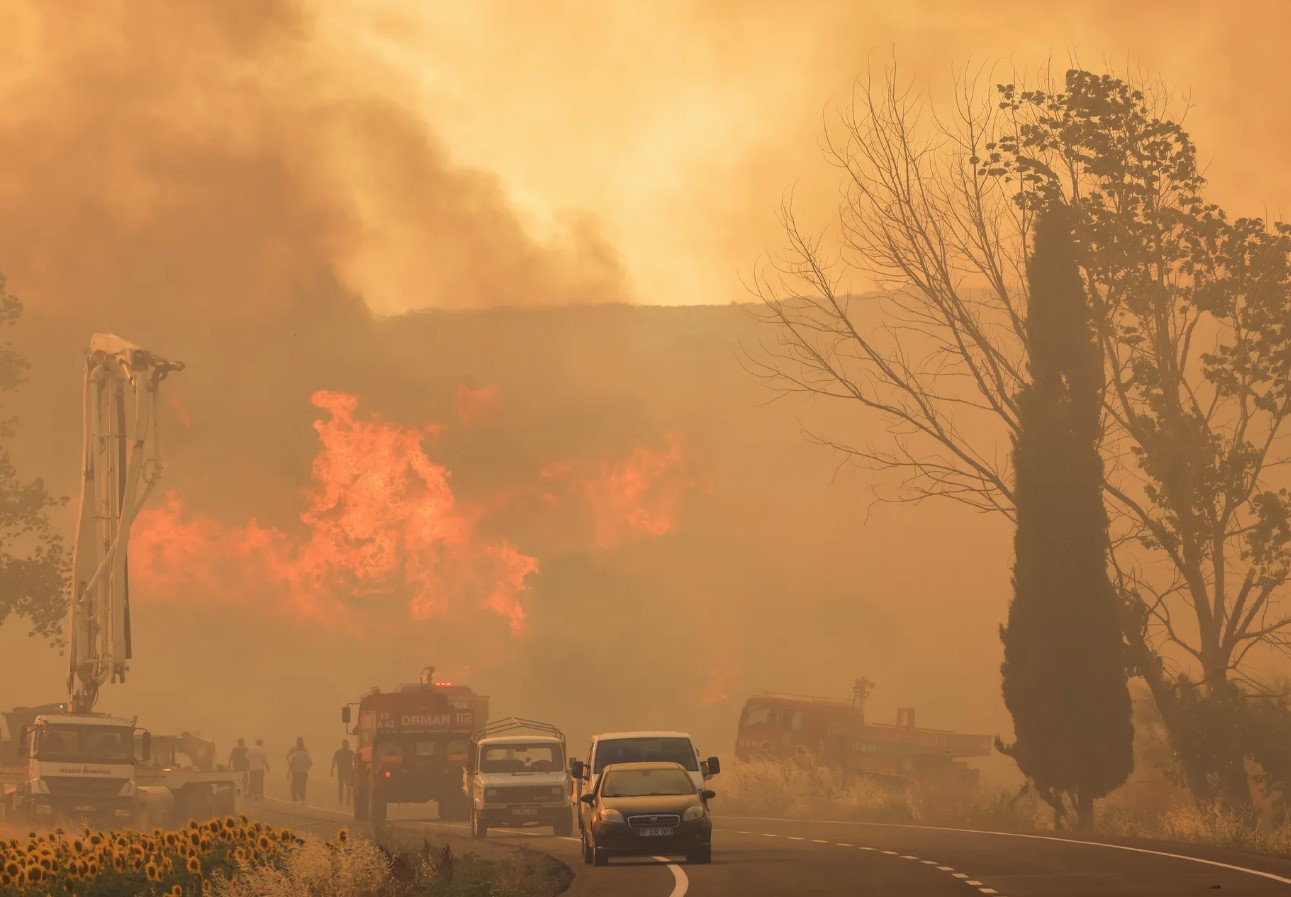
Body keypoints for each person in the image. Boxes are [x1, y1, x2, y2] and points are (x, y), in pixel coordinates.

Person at [288, 737, 313, 803]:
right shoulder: (305, 752)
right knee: (302, 785)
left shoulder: (294, 754)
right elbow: (310, 763)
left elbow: (290, 761)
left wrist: (289, 770)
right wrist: (307, 767)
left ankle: (295, 798)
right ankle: (302, 798)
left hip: (295, 771)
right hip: (303, 771)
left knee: (295, 785)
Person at [330, 739, 354, 805]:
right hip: (345, 771)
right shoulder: (350, 753)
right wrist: (332, 769)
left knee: (345, 786)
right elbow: (334, 761)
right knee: (345, 786)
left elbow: (353, 763)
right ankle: (344, 800)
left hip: (344, 771)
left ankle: (344, 801)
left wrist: (332, 769)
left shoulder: (339, 752)